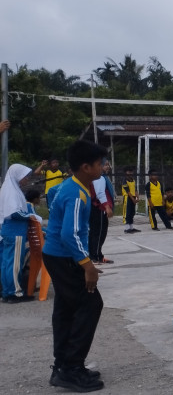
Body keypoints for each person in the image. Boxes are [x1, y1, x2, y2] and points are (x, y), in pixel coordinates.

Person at [42, 140, 107, 392]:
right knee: (90, 304)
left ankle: (63, 366)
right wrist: (87, 265)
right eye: (99, 163)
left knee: (66, 309)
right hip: (64, 257)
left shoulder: (71, 186)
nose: (103, 167)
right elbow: (70, 234)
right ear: (86, 167)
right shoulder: (76, 193)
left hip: (57, 255)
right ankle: (70, 369)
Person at [1, 164, 39, 303]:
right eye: (25, 176)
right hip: (15, 230)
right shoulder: (12, 191)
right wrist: (29, 216)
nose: (26, 179)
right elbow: (14, 213)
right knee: (15, 263)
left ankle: (7, 292)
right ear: (17, 175)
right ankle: (15, 293)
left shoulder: (8, 188)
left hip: (9, 229)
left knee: (7, 262)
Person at [88, 162, 114, 264]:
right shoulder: (99, 178)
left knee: (94, 232)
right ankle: (96, 256)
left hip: (94, 207)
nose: (108, 167)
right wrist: (107, 207)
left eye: (108, 165)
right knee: (100, 232)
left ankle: (94, 255)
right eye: (105, 165)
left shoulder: (96, 177)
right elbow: (100, 193)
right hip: (99, 207)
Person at [121, 167, 141, 234]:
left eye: (131, 171)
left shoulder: (133, 180)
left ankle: (131, 227)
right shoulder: (124, 180)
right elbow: (128, 191)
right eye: (129, 171)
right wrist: (133, 199)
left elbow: (135, 190)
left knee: (132, 213)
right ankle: (127, 229)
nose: (130, 173)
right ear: (125, 172)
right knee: (127, 213)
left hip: (133, 197)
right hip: (127, 198)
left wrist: (137, 197)